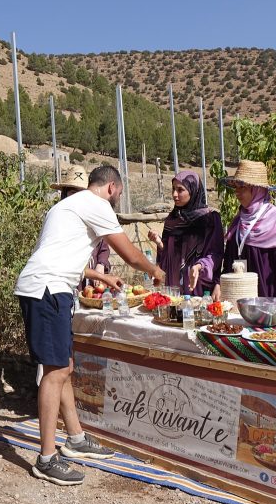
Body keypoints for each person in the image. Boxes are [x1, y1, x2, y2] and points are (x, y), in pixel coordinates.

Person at [15, 166, 165, 486]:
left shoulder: (66, 206)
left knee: (64, 367)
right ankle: (46, 458)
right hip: (48, 290)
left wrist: (100, 276)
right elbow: (129, 253)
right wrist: (155, 270)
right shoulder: (96, 204)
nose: (117, 199)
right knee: (55, 372)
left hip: (47, 287)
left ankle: (76, 438)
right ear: (111, 188)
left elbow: (61, 253)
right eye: (119, 193)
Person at [214, 160, 276, 300]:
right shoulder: (238, 221)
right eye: (236, 187)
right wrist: (220, 284)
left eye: (243, 187)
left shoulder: (274, 219)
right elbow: (228, 263)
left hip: (266, 302)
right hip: (237, 299)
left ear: (257, 189)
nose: (237, 192)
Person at [147, 170, 224, 295]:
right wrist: (159, 242)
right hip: (174, 287)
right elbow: (169, 257)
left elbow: (216, 253)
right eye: (173, 189)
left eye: (180, 190)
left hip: (198, 286)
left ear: (193, 190)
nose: (174, 194)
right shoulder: (172, 220)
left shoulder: (209, 219)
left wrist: (200, 266)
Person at [51, 165, 119, 291]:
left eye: (81, 192)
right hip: (67, 283)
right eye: (73, 193)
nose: (77, 197)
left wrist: (101, 264)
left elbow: (104, 246)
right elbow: (70, 263)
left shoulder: (93, 216)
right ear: (65, 194)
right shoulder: (61, 220)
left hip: (91, 283)